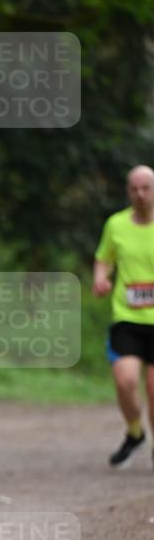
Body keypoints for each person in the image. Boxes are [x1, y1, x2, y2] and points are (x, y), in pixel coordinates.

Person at [93, 165, 154, 468]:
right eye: (135, 189)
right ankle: (135, 432)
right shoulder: (116, 225)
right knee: (125, 380)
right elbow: (103, 259)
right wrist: (101, 279)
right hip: (127, 315)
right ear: (128, 191)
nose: (141, 194)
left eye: (146, 188)